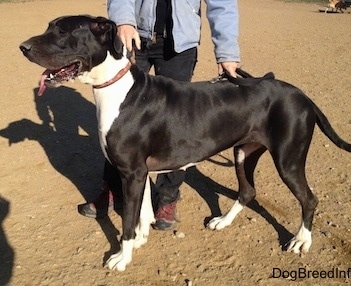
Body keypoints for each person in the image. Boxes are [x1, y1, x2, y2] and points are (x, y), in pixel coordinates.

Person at [78, 0, 240, 230]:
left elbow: (222, 4)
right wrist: (123, 20)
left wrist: (227, 52)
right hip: (132, 35)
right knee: (120, 125)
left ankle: (167, 197)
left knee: (176, 126)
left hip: (180, 45)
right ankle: (114, 190)